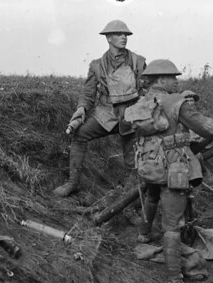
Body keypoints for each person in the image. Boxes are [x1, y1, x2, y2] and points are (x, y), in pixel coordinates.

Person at [124, 59, 213, 283]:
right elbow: (206, 128)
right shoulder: (175, 102)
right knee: (172, 225)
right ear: (161, 79)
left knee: (151, 194)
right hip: (173, 168)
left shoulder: (142, 102)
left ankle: (143, 234)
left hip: (150, 165)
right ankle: (174, 281)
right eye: (173, 77)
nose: (177, 81)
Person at [54, 20, 146, 198]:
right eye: (119, 34)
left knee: (132, 158)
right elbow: (88, 94)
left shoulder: (139, 62)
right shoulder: (97, 65)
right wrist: (81, 109)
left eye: (125, 34)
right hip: (106, 112)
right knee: (80, 134)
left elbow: (147, 91)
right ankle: (73, 182)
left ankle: (129, 197)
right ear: (108, 38)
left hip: (131, 114)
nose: (124, 37)